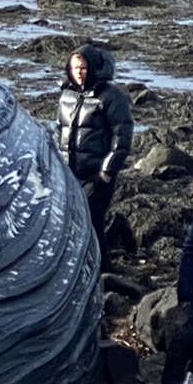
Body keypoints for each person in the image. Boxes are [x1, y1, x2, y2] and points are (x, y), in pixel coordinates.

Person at [55, 43, 133, 266]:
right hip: (69, 172)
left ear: (94, 68)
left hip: (97, 174)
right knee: (69, 219)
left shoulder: (111, 97)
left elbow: (122, 135)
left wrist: (107, 170)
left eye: (83, 68)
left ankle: (101, 266)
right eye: (75, 68)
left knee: (91, 218)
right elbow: (59, 129)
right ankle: (77, 264)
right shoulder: (66, 95)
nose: (79, 73)